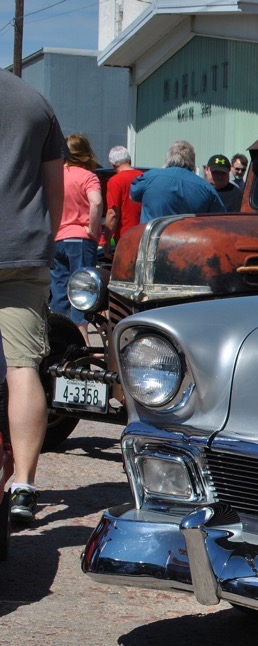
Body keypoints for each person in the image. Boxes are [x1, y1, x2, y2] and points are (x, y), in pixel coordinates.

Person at [0, 70, 66, 525]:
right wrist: (43, 242)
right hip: (24, 250)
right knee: (23, 368)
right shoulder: (33, 100)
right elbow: (54, 191)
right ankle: (23, 483)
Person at [52, 134, 102, 340]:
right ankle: (83, 339)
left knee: (60, 290)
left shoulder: (54, 176)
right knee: (83, 288)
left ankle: (59, 337)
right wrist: (92, 228)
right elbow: (96, 202)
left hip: (57, 238)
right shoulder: (87, 176)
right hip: (80, 238)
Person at [130, 140, 224, 223]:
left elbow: (133, 196)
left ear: (168, 157)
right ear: (192, 161)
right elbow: (221, 219)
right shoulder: (206, 188)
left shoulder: (149, 177)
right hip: (189, 241)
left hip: (153, 241)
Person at [104, 145, 143, 247]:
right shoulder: (143, 177)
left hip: (125, 236)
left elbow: (113, 213)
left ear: (112, 164)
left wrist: (107, 239)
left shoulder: (115, 181)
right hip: (145, 233)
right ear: (129, 160)